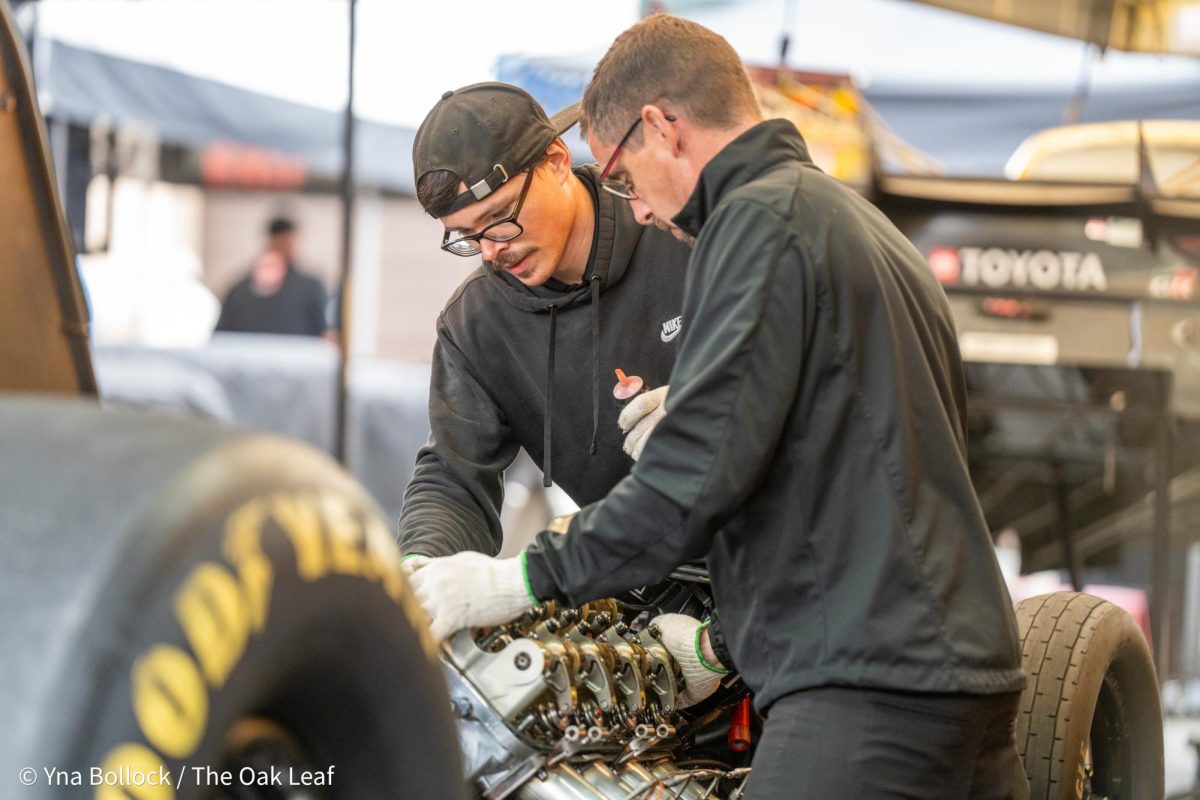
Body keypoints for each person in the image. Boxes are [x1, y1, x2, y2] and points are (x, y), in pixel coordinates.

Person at [411, 16, 1029, 800]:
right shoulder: (854, 222)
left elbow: (683, 491)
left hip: (861, 679)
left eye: (626, 178)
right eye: (467, 239)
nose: (634, 207)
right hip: (955, 667)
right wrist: (425, 571)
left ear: (661, 128)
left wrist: (516, 582)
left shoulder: (747, 228)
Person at [397, 82, 689, 566]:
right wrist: (423, 566)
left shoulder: (678, 234)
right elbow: (454, 476)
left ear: (555, 161)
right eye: (467, 236)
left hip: (764, 572)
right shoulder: (475, 324)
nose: (491, 251)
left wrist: (706, 415)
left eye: (498, 218)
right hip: (636, 585)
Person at [215, 217, 330, 338]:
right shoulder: (240, 289)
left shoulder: (311, 286)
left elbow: (323, 331)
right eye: (282, 243)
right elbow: (224, 331)